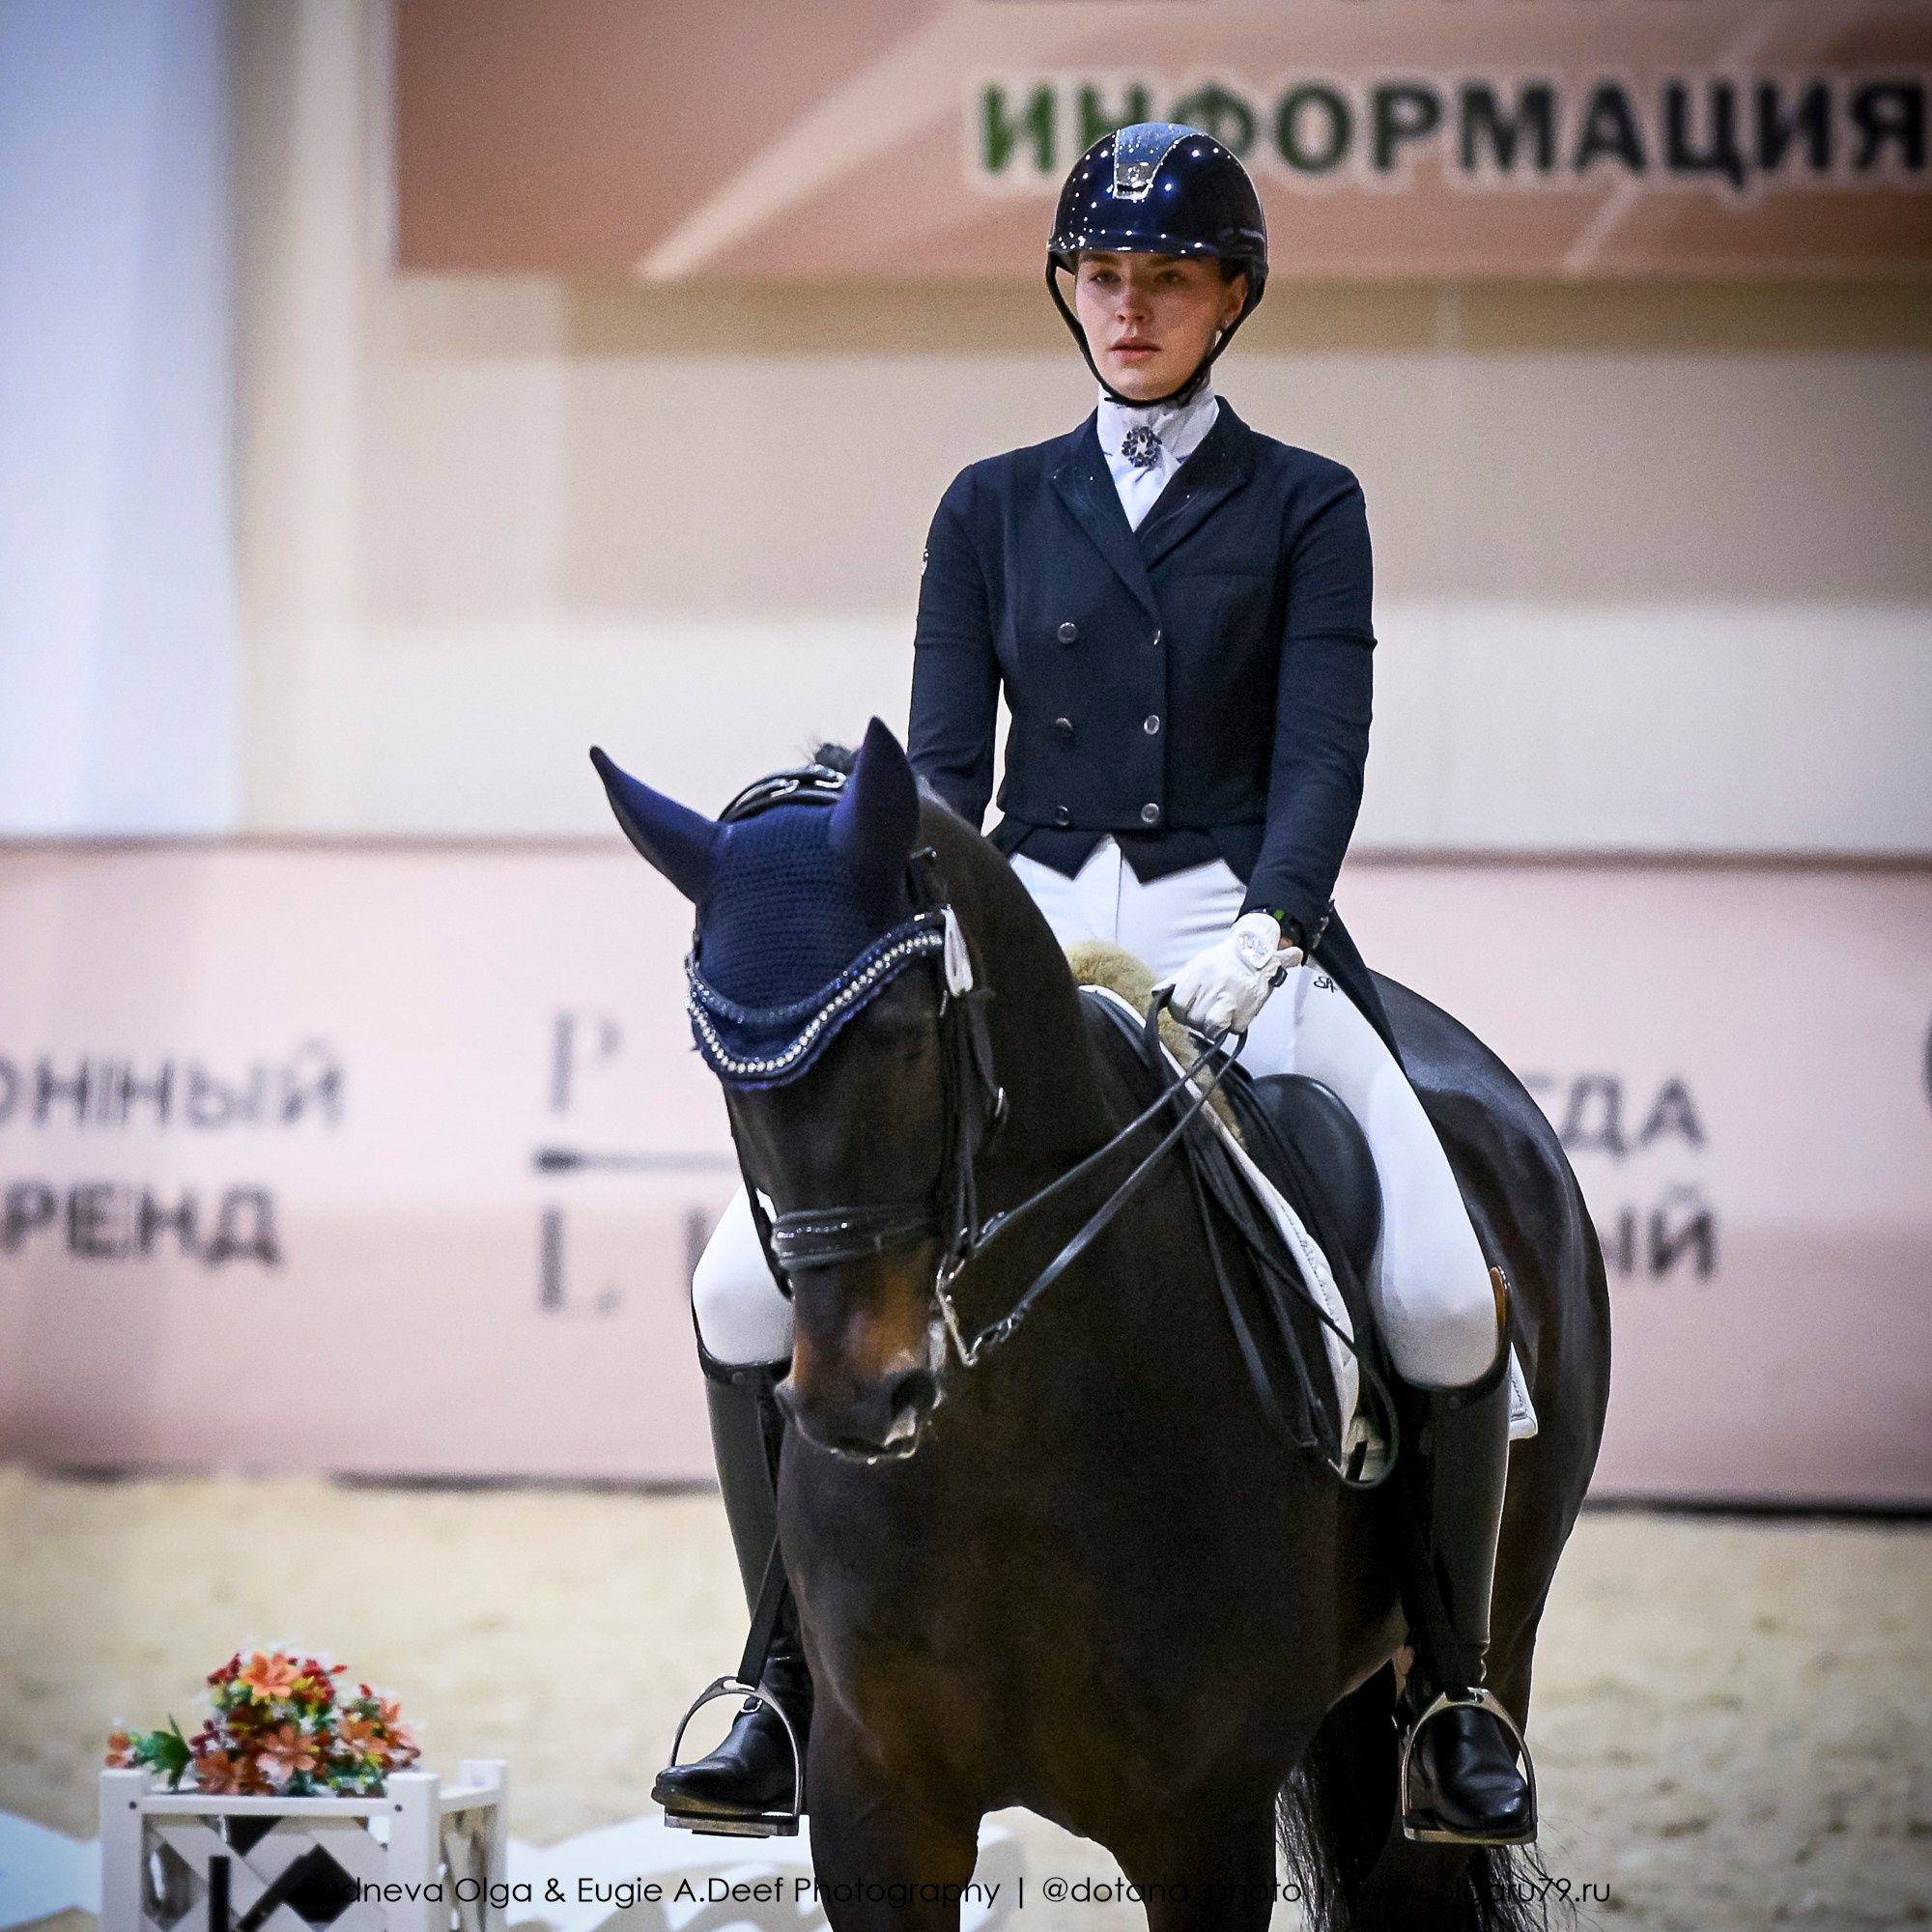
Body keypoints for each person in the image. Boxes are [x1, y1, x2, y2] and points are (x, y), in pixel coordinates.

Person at [654, 123, 1533, 1848]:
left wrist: (1272, 929)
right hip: (1031, 923)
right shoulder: (990, 504)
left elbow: (1323, 754)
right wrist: (933, 930)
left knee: (1437, 1289)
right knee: (732, 1291)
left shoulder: (1306, 504)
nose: (1131, 307)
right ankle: (773, 1672)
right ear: (1069, 292)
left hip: (1242, 925)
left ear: (1232, 298)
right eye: (1104, 276)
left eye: (1169, 278)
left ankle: (1451, 1691)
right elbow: (941, 784)